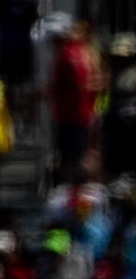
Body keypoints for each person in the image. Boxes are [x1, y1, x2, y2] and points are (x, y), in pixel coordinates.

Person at [48, 18, 100, 179]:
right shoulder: (84, 52)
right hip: (78, 113)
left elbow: (78, 84)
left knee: (76, 158)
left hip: (74, 115)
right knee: (77, 155)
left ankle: (77, 192)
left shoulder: (71, 54)